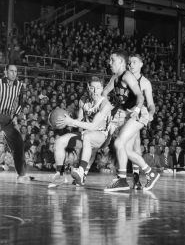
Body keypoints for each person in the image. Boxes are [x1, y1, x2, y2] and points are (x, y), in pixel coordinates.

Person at [102, 50, 152, 192]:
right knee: (124, 148)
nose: (109, 62)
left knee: (119, 143)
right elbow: (104, 93)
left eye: (112, 60)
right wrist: (109, 109)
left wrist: (135, 111)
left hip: (139, 113)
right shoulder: (114, 78)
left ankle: (126, 179)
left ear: (121, 62)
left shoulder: (127, 75)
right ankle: (136, 176)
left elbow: (140, 97)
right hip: (127, 114)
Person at [53, 75, 113, 187]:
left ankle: (81, 171)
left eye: (98, 88)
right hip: (86, 134)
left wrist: (72, 122)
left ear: (102, 88)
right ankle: (59, 175)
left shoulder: (105, 105)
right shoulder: (83, 100)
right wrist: (66, 121)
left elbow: (94, 126)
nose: (95, 91)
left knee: (87, 136)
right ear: (88, 87)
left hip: (102, 136)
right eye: (92, 88)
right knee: (59, 141)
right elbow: (79, 121)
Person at [126, 54, 157, 190]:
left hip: (136, 113)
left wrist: (150, 113)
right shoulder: (125, 78)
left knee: (134, 141)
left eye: (134, 62)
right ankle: (137, 177)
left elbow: (151, 104)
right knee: (130, 144)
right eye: (129, 62)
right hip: (124, 113)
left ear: (141, 64)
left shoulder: (145, 82)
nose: (131, 65)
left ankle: (137, 177)